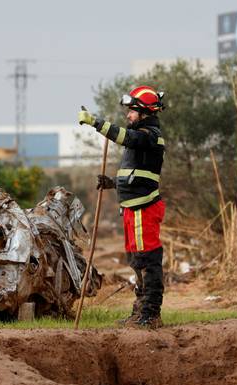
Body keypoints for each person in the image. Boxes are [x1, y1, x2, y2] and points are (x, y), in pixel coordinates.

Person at [78, 85, 166, 329]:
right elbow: (137, 176)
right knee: (136, 261)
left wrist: (97, 123)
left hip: (145, 210)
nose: (128, 116)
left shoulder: (149, 135)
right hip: (131, 209)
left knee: (148, 260)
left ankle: (151, 313)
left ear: (144, 112)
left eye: (132, 112)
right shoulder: (139, 140)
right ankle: (139, 311)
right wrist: (113, 183)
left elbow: (124, 136)